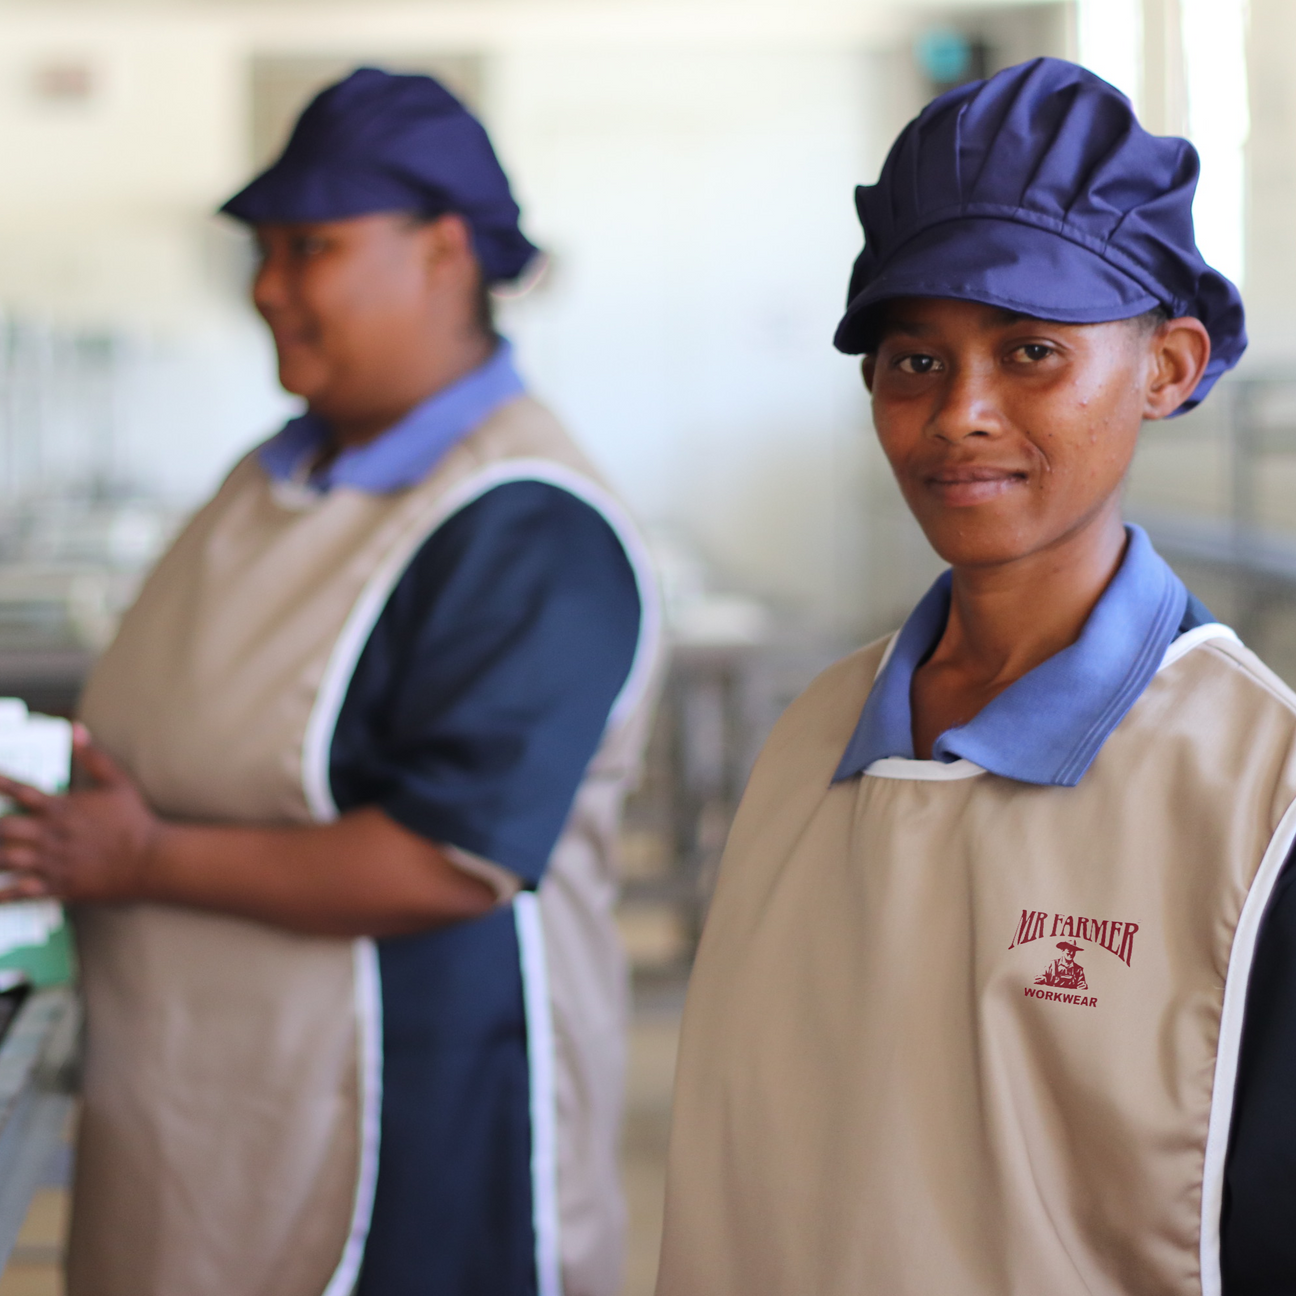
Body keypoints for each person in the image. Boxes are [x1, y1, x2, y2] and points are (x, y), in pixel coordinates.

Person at [0, 68, 660, 1296]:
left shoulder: (520, 523)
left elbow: (443, 858)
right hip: (198, 1119)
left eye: (312, 247)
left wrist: (138, 861)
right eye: (262, 249)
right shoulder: (277, 475)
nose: (267, 287)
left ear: (444, 252)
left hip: (401, 1140)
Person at [655, 58, 1296, 1295]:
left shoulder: (1259, 804)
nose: (962, 414)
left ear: (1166, 367)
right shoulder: (809, 742)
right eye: (915, 361)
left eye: (1032, 350)